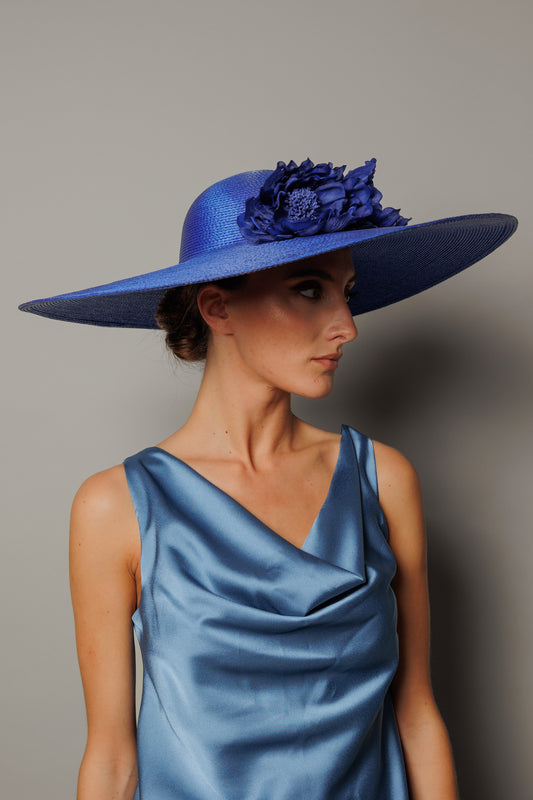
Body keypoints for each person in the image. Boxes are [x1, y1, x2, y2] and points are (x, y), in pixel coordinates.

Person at [18, 157, 518, 800]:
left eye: (347, 293)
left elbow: (416, 714)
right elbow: (113, 758)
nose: (347, 326)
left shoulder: (382, 479)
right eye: (309, 289)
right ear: (218, 307)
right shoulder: (116, 506)